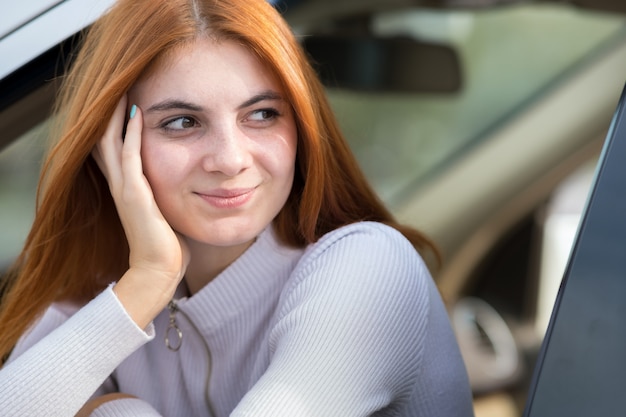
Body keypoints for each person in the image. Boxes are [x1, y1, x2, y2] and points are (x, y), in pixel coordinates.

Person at [0, 0, 475, 415]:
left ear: (302, 126)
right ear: (113, 144)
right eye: (183, 122)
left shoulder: (368, 268)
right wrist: (148, 280)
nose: (229, 160)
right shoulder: (101, 303)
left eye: (262, 114)